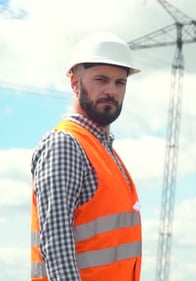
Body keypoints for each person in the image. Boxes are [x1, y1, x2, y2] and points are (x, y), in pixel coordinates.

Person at [30, 32, 142, 281]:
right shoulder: (65, 144)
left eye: (119, 82)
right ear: (75, 83)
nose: (111, 91)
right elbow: (57, 246)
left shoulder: (104, 151)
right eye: (101, 80)